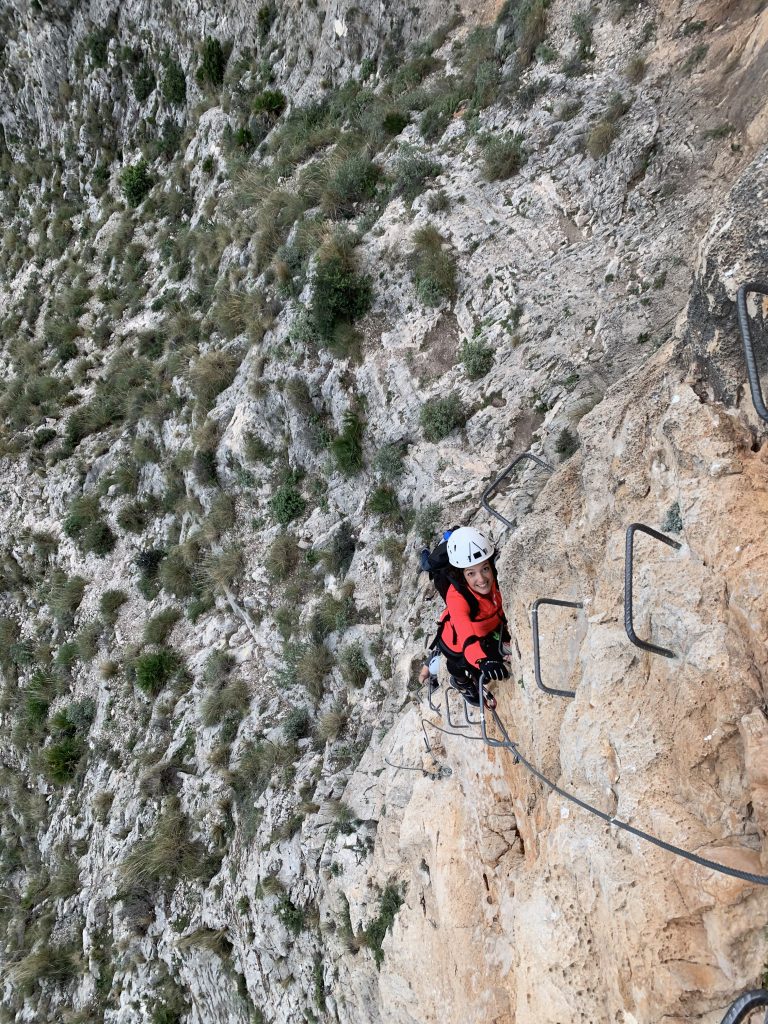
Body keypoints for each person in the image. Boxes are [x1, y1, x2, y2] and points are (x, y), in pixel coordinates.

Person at [431, 526, 511, 706]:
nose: (481, 579)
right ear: (462, 575)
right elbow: (465, 633)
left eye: (485, 569)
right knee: (469, 668)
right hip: (458, 644)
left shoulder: (499, 576)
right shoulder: (457, 597)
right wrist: (482, 661)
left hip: (488, 629)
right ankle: (461, 682)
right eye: (471, 573)